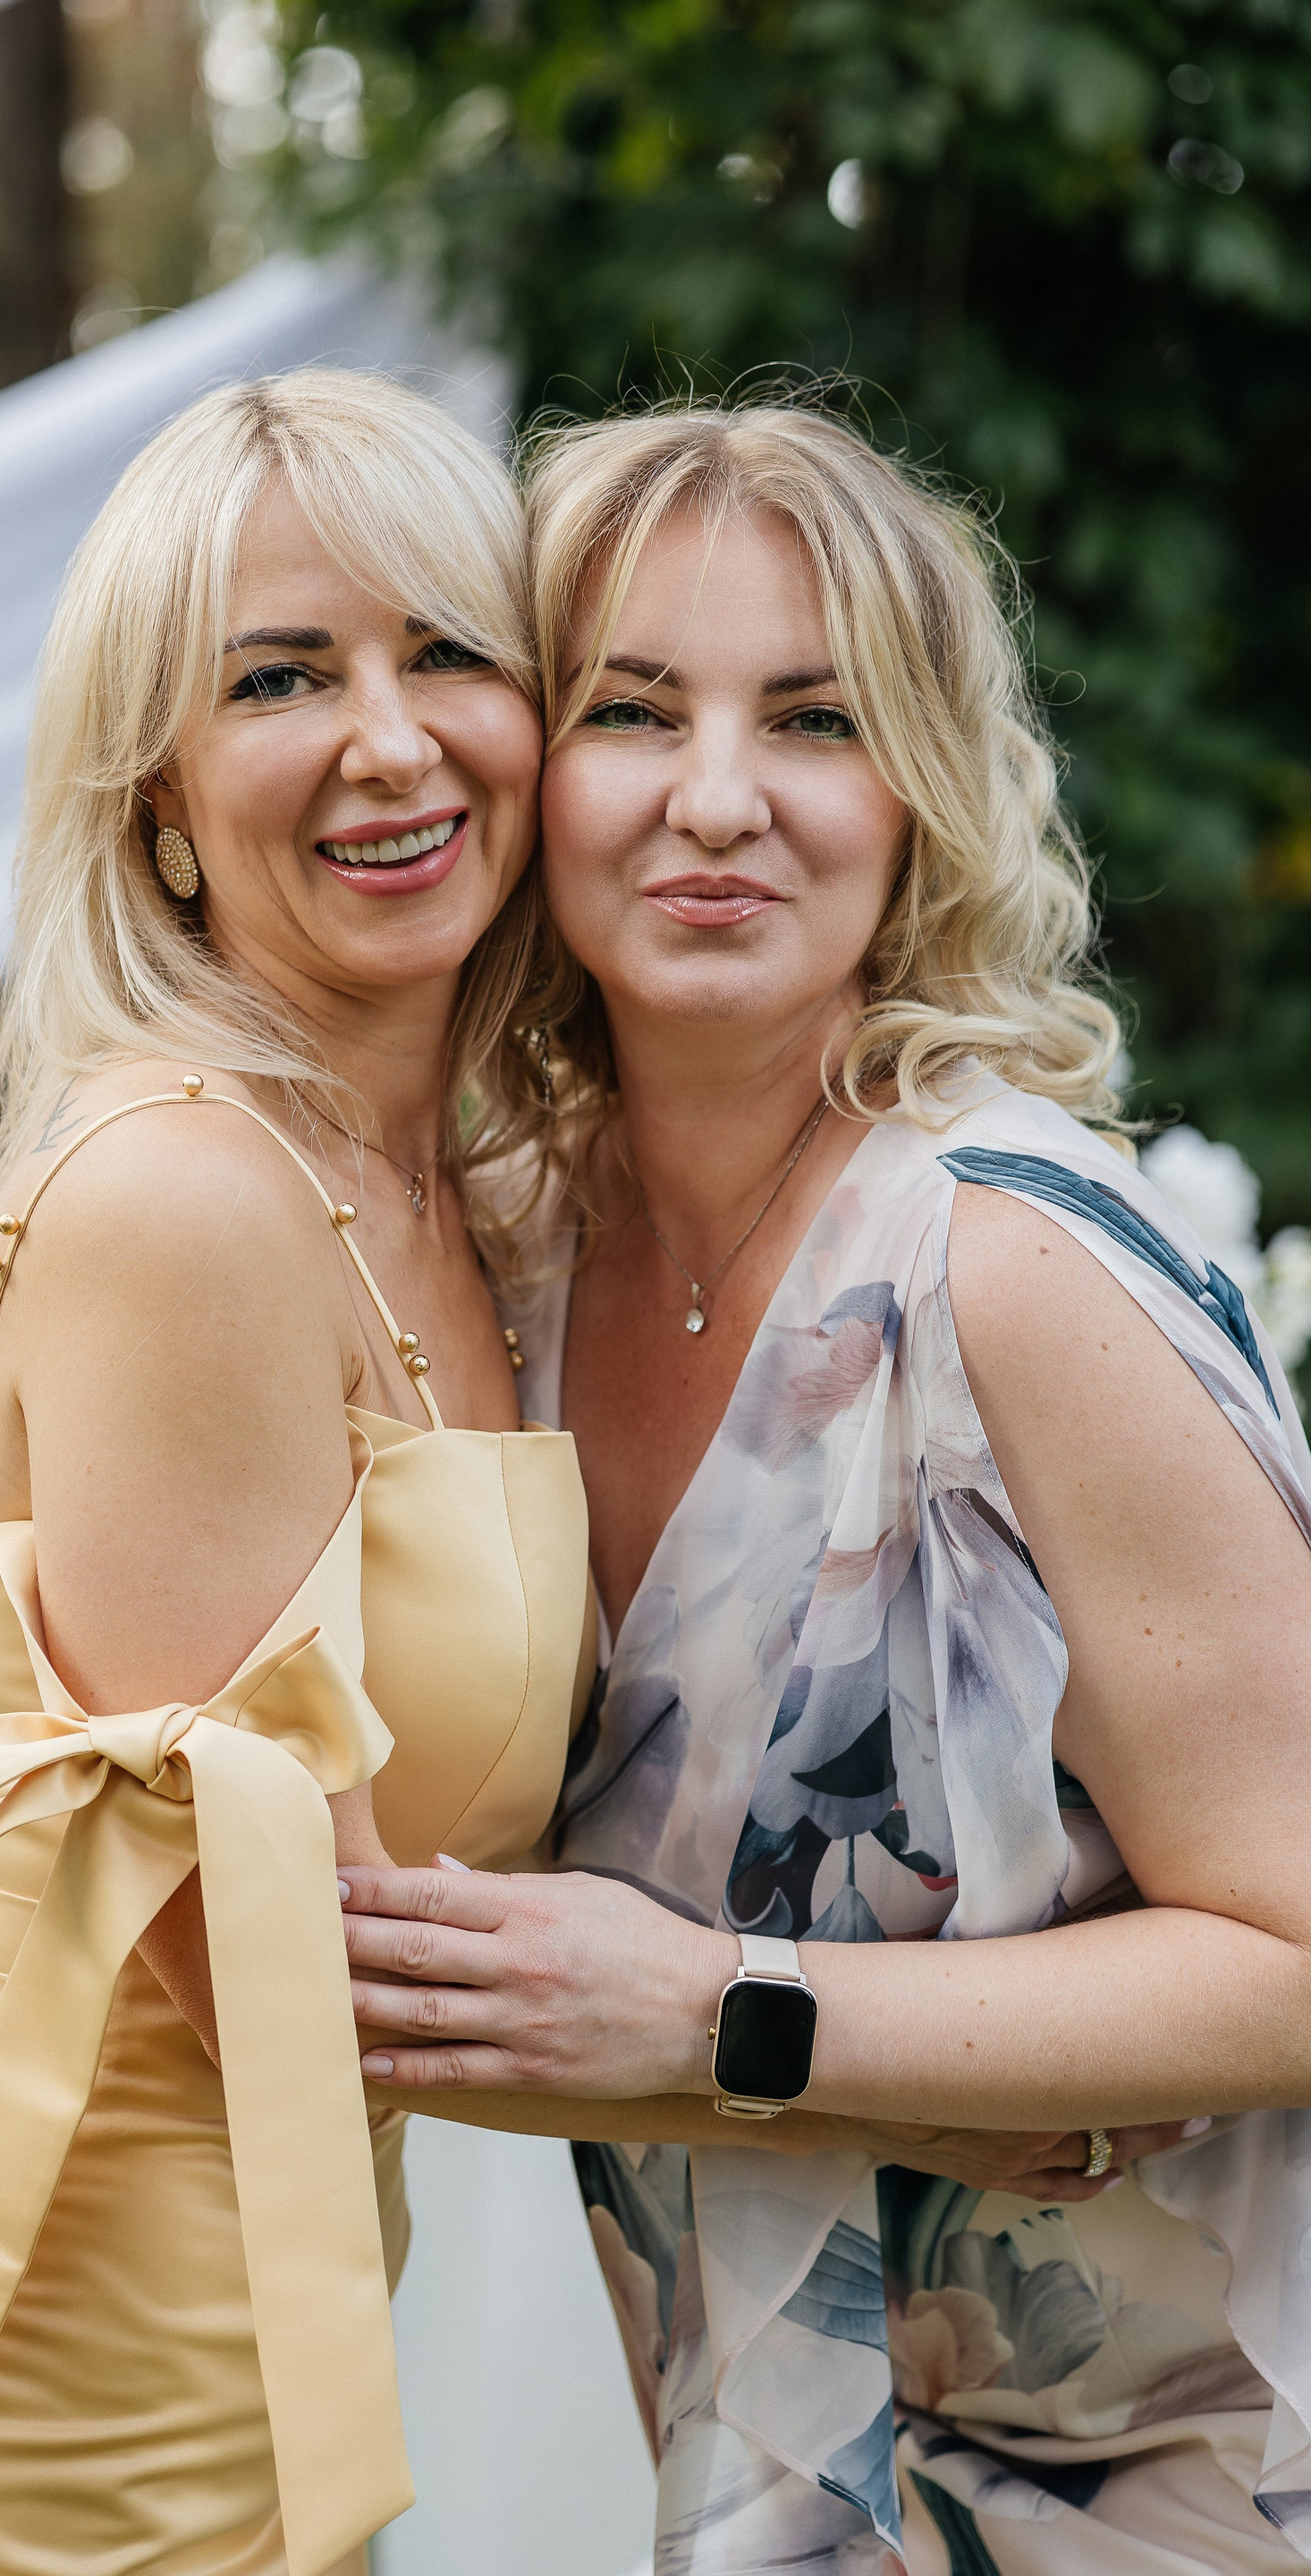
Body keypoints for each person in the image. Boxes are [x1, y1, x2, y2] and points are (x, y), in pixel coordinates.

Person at [340, 404, 1311, 2572]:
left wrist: (731, 2021)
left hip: (1181, 2482)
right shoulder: (491, 1267)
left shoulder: (1012, 1264)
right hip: (762, 2469)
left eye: (813, 718)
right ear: (523, 773)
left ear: (919, 791)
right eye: (631, 710)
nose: (718, 798)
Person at [0, 369, 596, 2576]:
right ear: (164, 798)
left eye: (446, 652)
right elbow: (292, 1976)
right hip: (28, 2447)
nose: (388, 742)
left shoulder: (465, 1189)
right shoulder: (185, 1204)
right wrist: (859, 2075)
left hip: (263, 2394)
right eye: (281, 678)